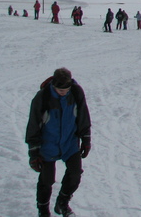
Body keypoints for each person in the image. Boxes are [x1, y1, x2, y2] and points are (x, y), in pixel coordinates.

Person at [25, 67, 92, 217]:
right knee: (47, 180)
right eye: (59, 89)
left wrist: (86, 139)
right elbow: (33, 125)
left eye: (66, 89)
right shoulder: (42, 98)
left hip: (69, 144)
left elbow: (83, 116)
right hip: (48, 146)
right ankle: (43, 211)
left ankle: (62, 203)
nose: (63, 92)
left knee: (75, 174)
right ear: (53, 84)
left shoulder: (75, 93)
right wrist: (34, 153)